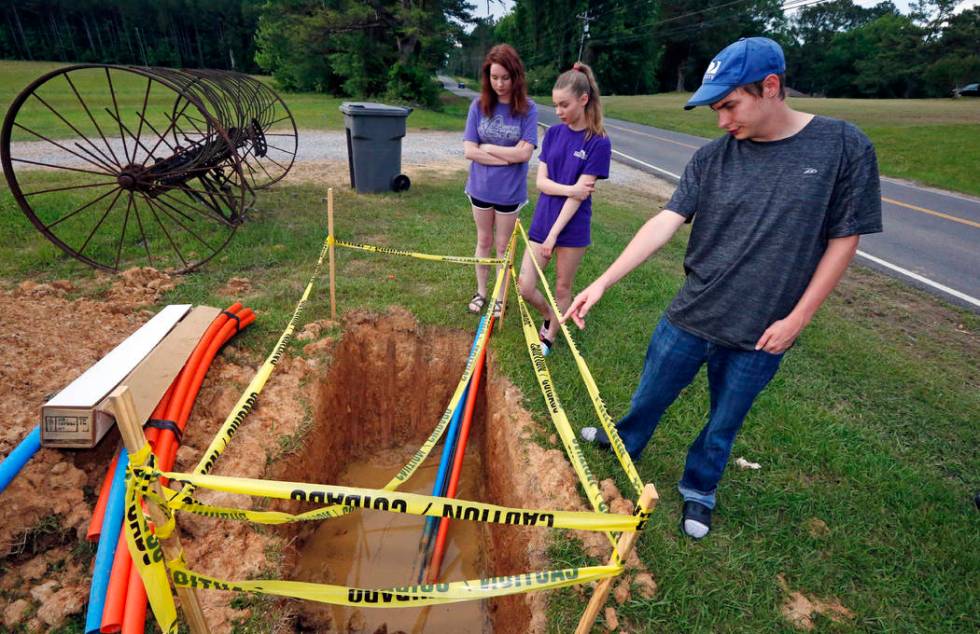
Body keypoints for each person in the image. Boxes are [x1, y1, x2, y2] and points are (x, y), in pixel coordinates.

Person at [566, 37, 882, 540]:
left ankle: (699, 490)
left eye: (730, 105)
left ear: (771, 87)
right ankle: (625, 440)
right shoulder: (712, 159)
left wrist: (798, 318)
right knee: (651, 392)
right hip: (690, 314)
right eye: (716, 108)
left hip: (764, 332)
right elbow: (664, 222)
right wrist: (603, 280)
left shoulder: (843, 148)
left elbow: (845, 240)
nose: (721, 121)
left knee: (724, 423)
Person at [518, 62, 611, 354]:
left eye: (564, 105)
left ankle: (550, 335)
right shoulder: (554, 134)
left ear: (583, 100)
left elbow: (579, 199)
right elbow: (542, 183)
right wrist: (569, 188)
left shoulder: (598, 142)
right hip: (543, 220)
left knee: (562, 287)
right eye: (555, 104)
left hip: (572, 227)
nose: (558, 111)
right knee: (525, 285)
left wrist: (554, 236)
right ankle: (549, 314)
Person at [463, 44, 538, 315]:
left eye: (505, 78)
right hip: (480, 188)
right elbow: (469, 150)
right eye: (494, 77)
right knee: (484, 241)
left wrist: (490, 149)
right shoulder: (478, 106)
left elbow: (526, 153)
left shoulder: (528, 109)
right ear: (487, 77)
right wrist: (510, 156)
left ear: (515, 77)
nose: (500, 83)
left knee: (503, 246)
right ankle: (482, 292)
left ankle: (499, 296)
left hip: (510, 193)